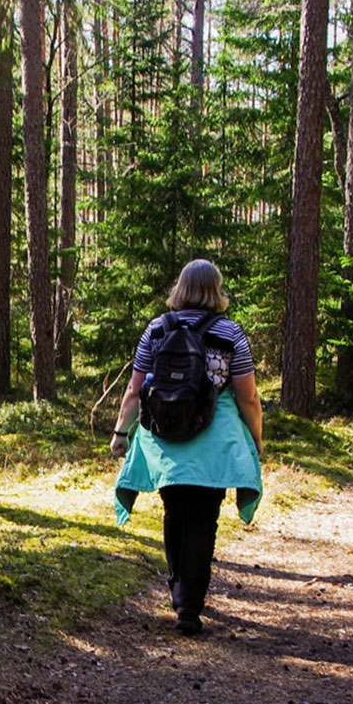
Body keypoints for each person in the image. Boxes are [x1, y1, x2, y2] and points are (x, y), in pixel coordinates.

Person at [110, 259, 263, 636]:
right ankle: (189, 605)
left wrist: (120, 432)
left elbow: (135, 388)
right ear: (217, 289)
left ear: (180, 288)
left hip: (164, 437)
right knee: (203, 520)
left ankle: (179, 592)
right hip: (215, 441)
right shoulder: (230, 333)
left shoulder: (157, 329)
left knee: (174, 512)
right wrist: (255, 440)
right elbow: (247, 398)